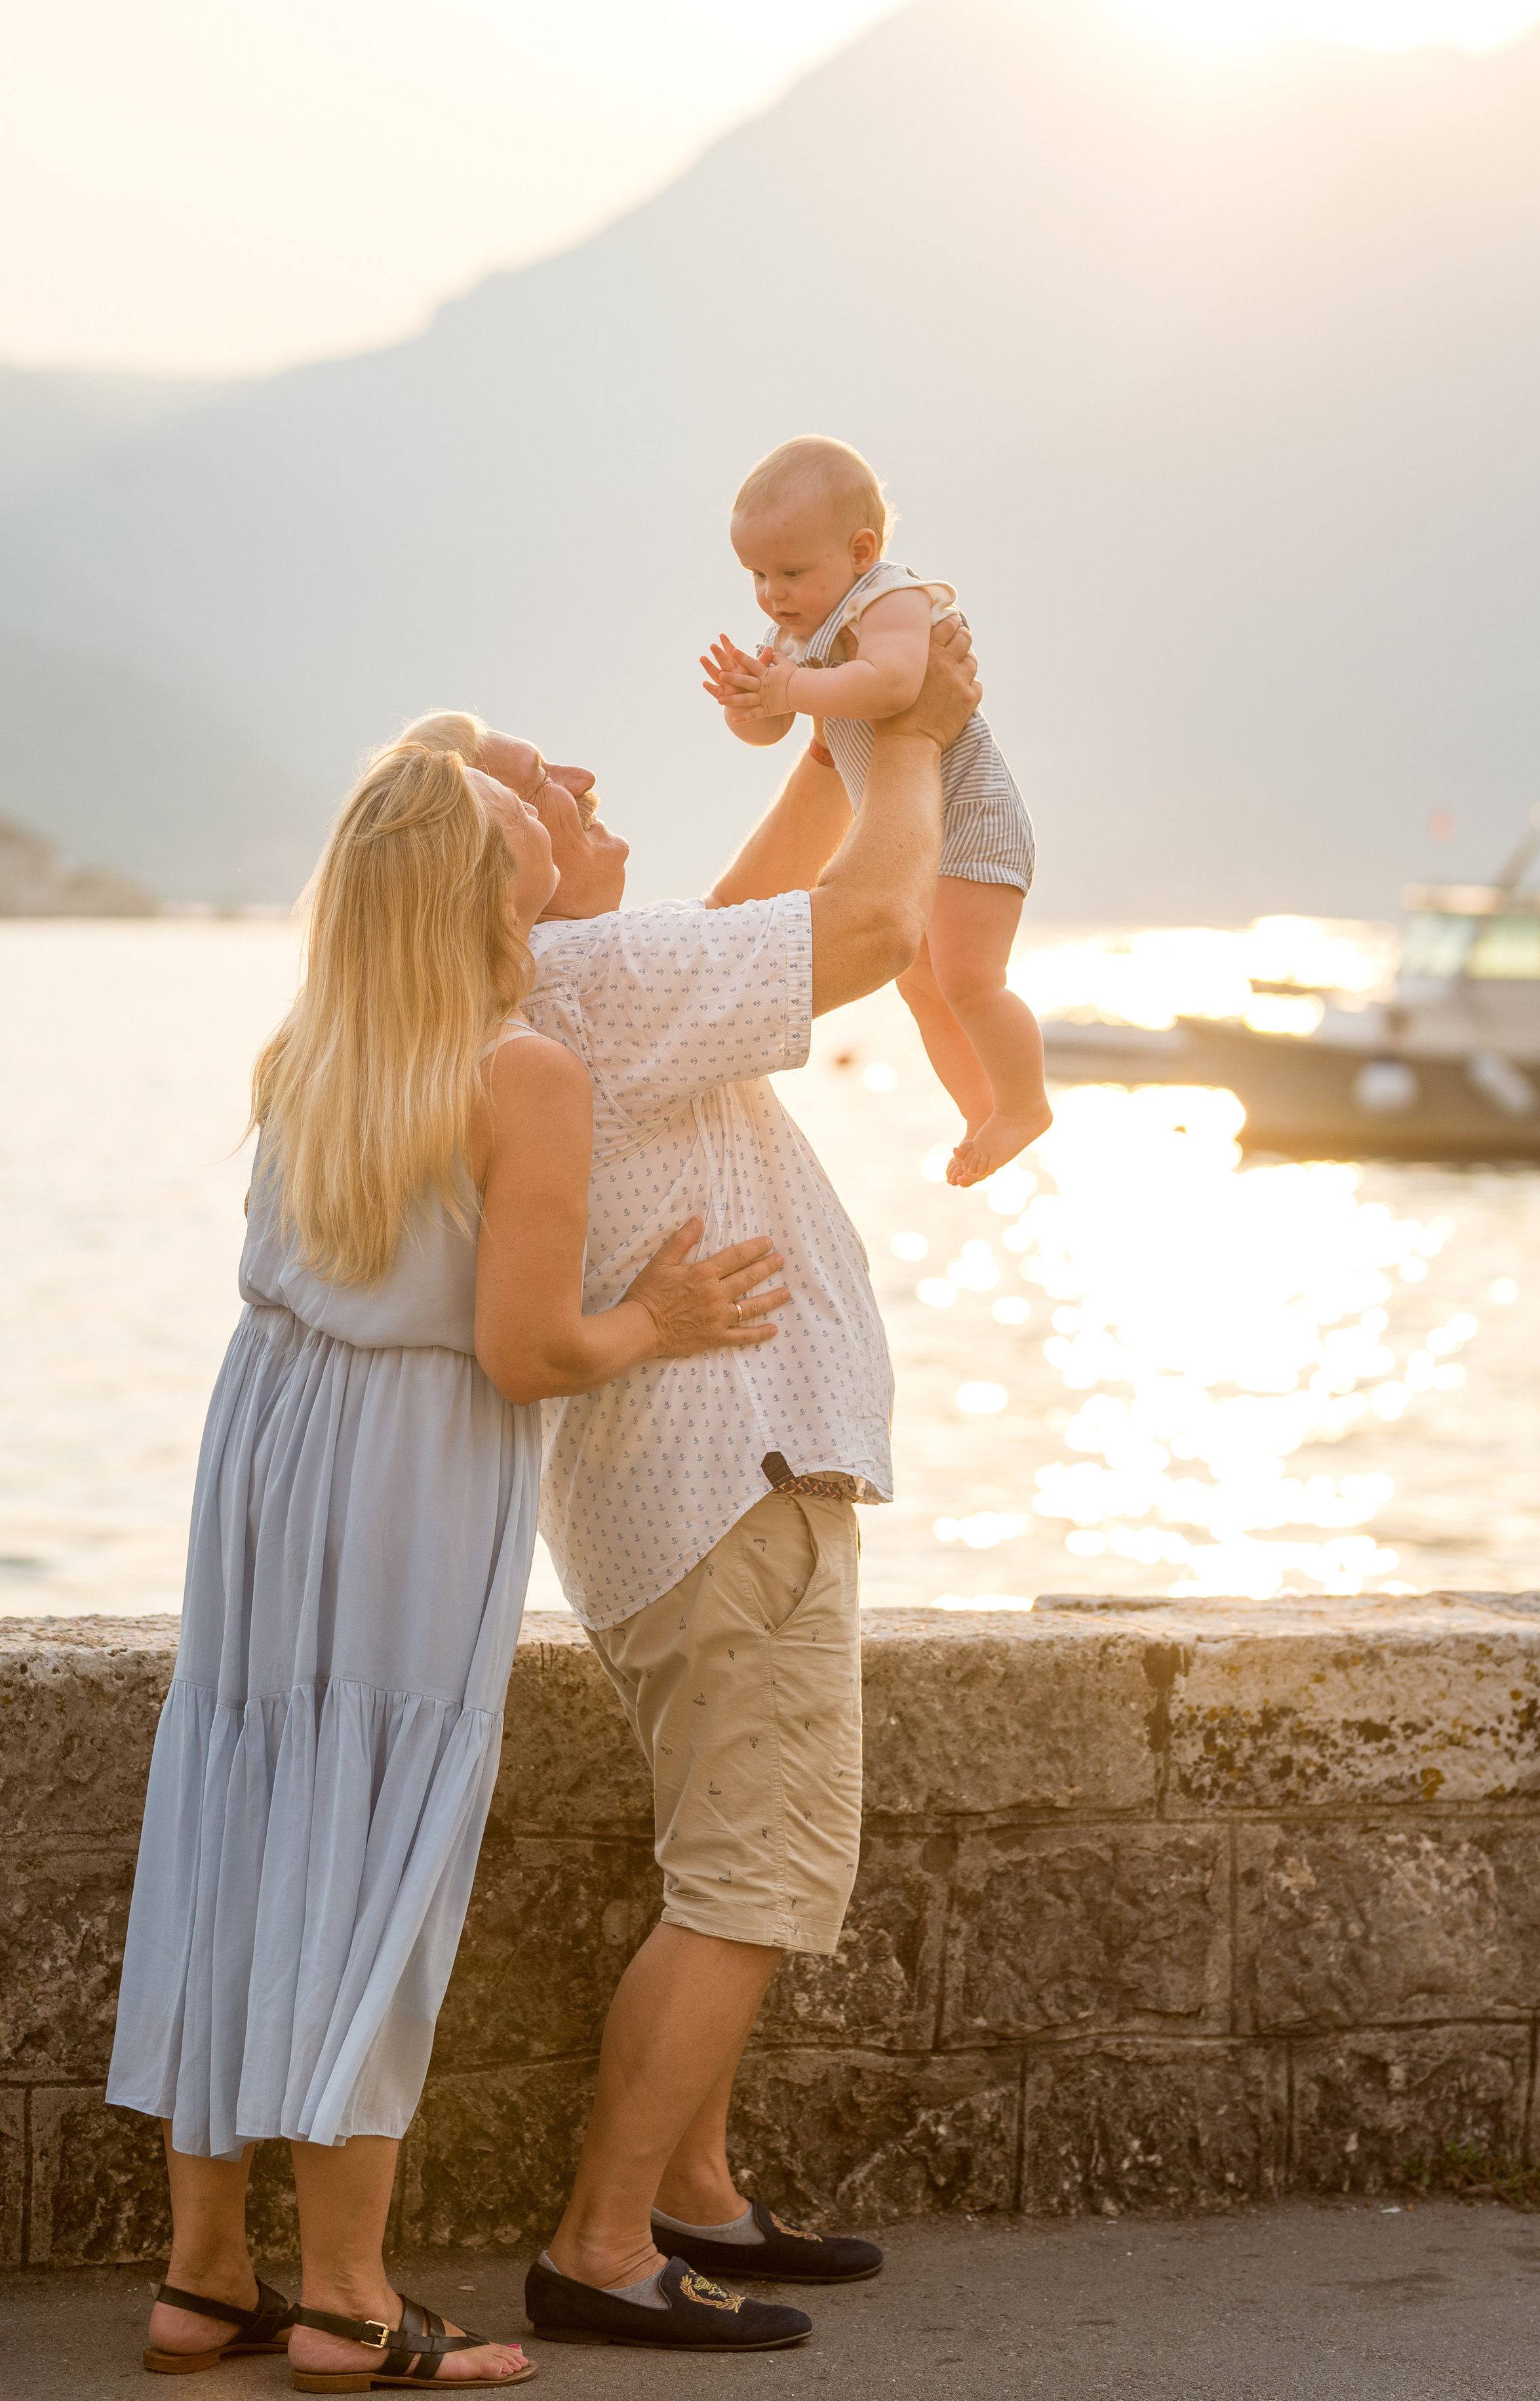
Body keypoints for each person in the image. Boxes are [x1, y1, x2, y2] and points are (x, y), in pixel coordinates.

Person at [106, 742, 790, 2388]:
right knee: (369, 1849)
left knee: (249, 1820)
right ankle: (346, 2298)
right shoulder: (519, 1069)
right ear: (476, 894)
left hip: (265, 1451)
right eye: (511, 837)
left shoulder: (309, 1049)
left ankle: (206, 2278)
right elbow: (529, 1349)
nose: (540, 839)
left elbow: (441, 796)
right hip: (405, 1474)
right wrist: (668, 1317)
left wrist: (482, 781)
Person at [422, 617, 982, 2353]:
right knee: (751, 1878)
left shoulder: (585, 986)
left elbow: (776, 896)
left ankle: (698, 2193)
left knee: (717, 1855)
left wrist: (830, 710)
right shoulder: (591, 993)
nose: (578, 781)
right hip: (732, 1489)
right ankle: (600, 2243)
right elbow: (878, 925)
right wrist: (918, 736)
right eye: (535, 783)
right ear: (496, 870)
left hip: (679, 1497)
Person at [702, 432, 1050, 1186]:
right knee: (919, 984)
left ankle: (1025, 1104)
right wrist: (749, 702)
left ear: (861, 550)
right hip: (918, 831)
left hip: (970, 819)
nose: (772, 594)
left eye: (791, 572)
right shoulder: (792, 634)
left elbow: (893, 685)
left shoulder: (890, 599)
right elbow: (773, 731)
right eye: (756, 575)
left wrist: (789, 689)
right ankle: (980, 1110)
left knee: (970, 979)